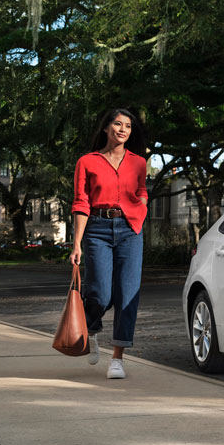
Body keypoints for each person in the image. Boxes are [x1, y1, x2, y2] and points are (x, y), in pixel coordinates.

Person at [69, 108, 149, 380]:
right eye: (117, 123)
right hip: (97, 230)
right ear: (106, 128)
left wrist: (142, 208)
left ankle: (117, 358)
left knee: (128, 296)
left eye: (127, 125)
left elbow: (141, 191)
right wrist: (76, 243)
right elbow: (81, 202)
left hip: (130, 229)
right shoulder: (87, 162)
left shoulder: (139, 162)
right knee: (100, 294)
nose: (123, 129)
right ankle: (91, 329)